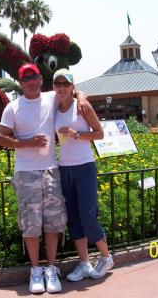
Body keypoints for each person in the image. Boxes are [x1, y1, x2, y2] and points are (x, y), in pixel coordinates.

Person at [0, 63, 89, 294]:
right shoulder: (13, 107)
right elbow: (2, 138)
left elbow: (70, 90)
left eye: (34, 77)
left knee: (53, 222)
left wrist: (82, 97)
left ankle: (50, 268)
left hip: (50, 169)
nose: (30, 81)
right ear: (21, 82)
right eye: (25, 78)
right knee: (31, 223)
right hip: (25, 171)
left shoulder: (51, 98)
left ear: (40, 79)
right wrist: (27, 142)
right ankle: (35, 270)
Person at [53, 68, 114, 282]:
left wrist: (77, 134)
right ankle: (84, 262)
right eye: (57, 83)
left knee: (88, 216)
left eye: (65, 84)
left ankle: (106, 257)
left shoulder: (82, 106)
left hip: (84, 166)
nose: (61, 87)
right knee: (74, 218)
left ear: (72, 86)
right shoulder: (52, 106)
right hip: (64, 167)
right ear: (54, 87)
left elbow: (100, 133)